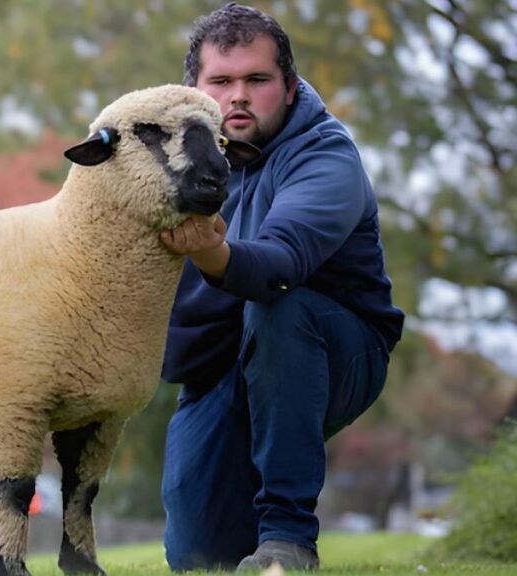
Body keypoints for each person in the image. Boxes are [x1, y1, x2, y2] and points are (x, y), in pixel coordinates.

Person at [158, 3, 405, 572]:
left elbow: (279, 263)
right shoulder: (162, 162)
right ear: (191, 92)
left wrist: (207, 250)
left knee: (280, 308)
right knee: (197, 556)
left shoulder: (325, 156)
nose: (237, 96)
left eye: (257, 80)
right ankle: (246, 528)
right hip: (220, 365)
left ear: (289, 88)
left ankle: (289, 539)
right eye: (221, 81)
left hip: (336, 348)